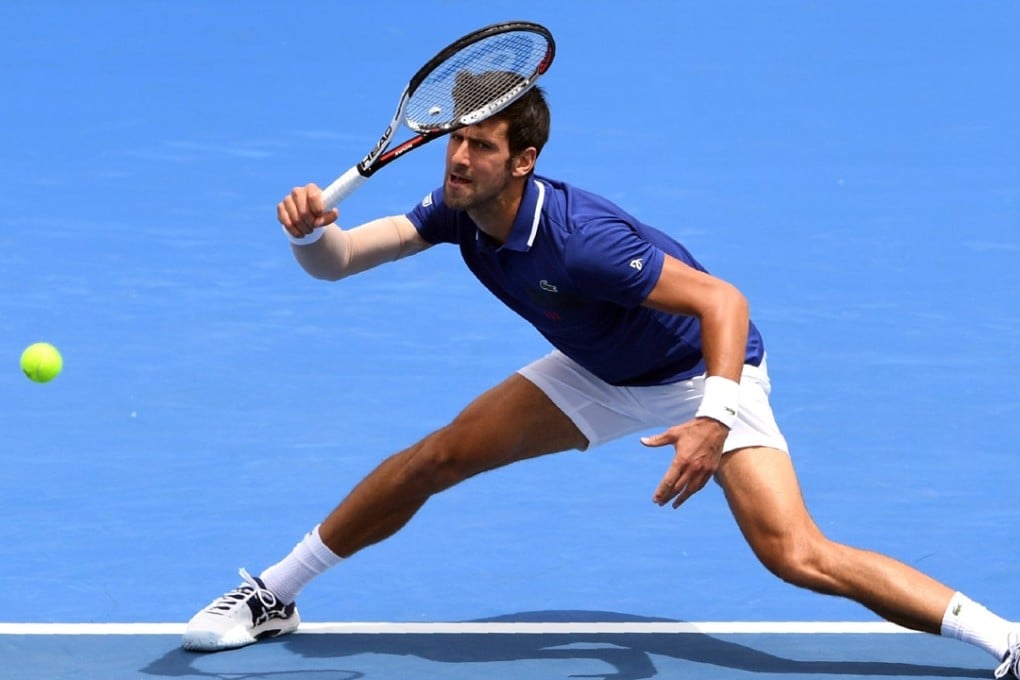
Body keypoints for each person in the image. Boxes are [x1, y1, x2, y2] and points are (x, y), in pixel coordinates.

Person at [181, 85, 1019, 678]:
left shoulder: (582, 241)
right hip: (598, 369)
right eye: (456, 140)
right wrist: (308, 236)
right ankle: (274, 597)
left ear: (523, 160)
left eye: (481, 146)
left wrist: (715, 418)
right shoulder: (455, 212)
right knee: (437, 458)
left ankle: (1003, 637)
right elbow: (342, 263)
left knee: (794, 553)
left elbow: (723, 300)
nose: (460, 158)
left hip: (701, 370)